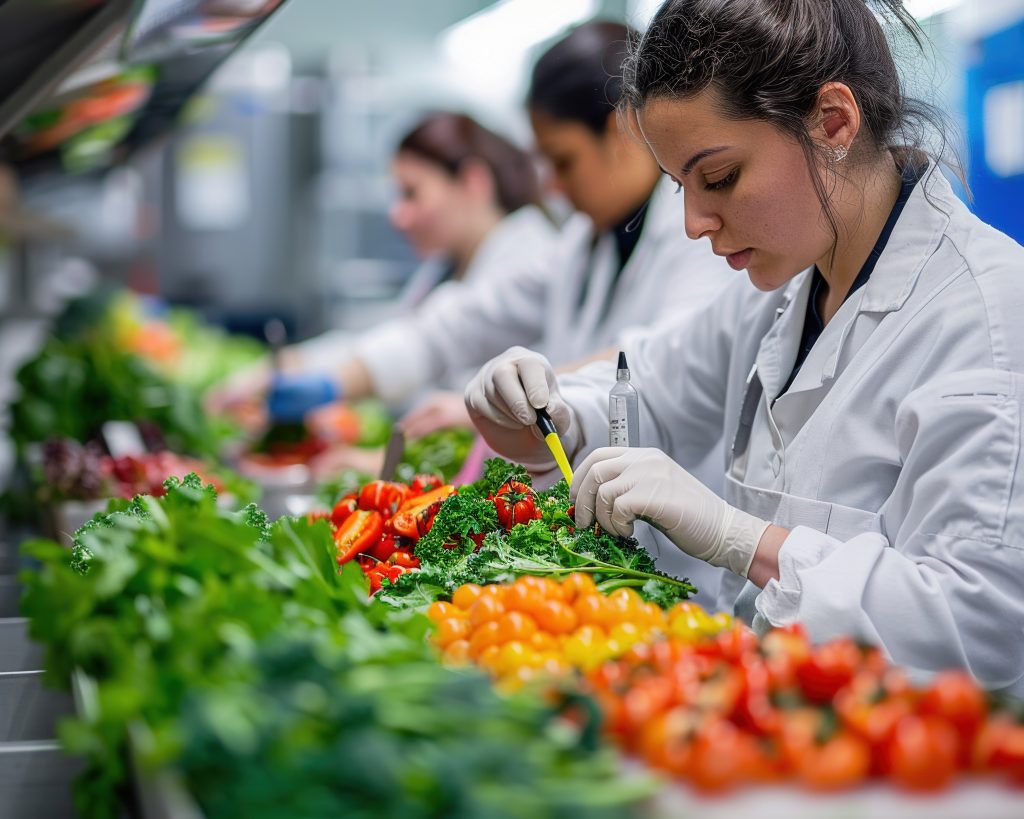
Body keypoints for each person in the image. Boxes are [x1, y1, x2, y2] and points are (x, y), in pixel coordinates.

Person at [466, 0, 1024, 694]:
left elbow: (979, 623)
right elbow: (651, 385)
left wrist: (742, 540)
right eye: (679, 186)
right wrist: (547, 407)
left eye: (720, 178)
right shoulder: (783, 286)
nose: (694, 223)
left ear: (833, 122)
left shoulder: (989, 318)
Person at [208, 111, 558, 420]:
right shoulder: (444, 266)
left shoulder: (528, 256)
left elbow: (431, 340)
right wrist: (295, 363)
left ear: (472, 181)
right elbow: (394, 332)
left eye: (411, 193)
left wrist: (330, 384)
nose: (397, 215)